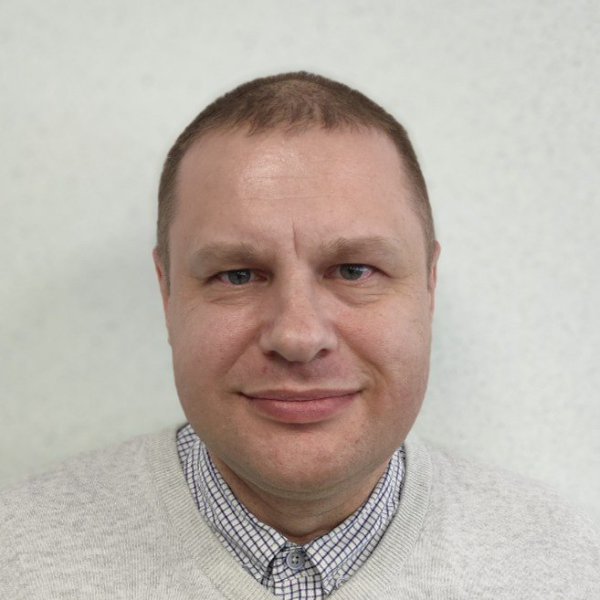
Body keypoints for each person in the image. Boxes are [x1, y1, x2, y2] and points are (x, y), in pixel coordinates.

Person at [1, 72, 598, 599]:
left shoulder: (570, 568)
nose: (298, 335)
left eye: (354, 271)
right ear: (167, 294)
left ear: (429, 285)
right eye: (238, 275)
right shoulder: (17, 561)